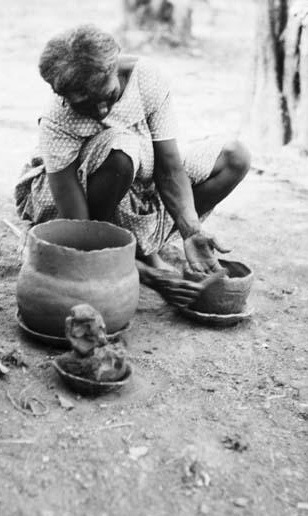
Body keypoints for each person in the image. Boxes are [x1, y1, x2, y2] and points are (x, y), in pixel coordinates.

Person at [15, 24, 251, 307]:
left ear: (115, 66)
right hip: (88, 196)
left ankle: (142, 246)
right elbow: (79, 228)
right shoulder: (57, 120)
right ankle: (121, 254)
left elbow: (170, 168)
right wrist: (150, 276)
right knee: (121, 149)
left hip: (140, 180)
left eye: (108, 96)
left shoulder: (146, 77)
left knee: (235, 157)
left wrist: (192, 231)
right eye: (85, 105)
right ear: (62, 96)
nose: (102, 111)